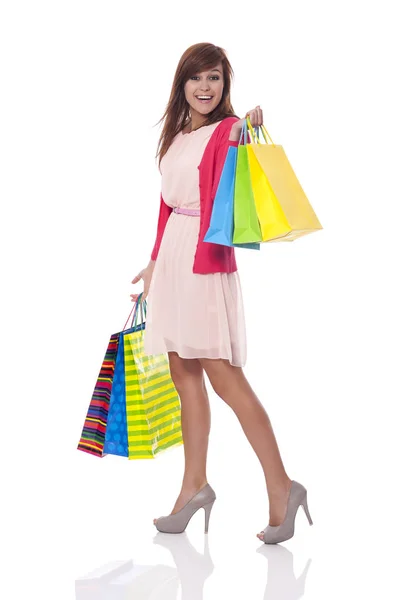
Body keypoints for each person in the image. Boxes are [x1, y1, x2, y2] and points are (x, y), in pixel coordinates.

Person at [130, 43, 313, 544]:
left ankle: (282, 485)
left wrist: (249, 125)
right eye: (197, 78)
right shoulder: (175, 138)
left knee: (225, 380)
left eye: (214, 79)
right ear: (182, 84)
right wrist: (152, 267)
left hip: (204, 264)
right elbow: (167, 209)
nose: (205, 88)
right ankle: (194, 485)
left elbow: (243, 137)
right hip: (171, 262)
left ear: (224, 85)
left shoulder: (226, 131)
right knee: (183, 375)